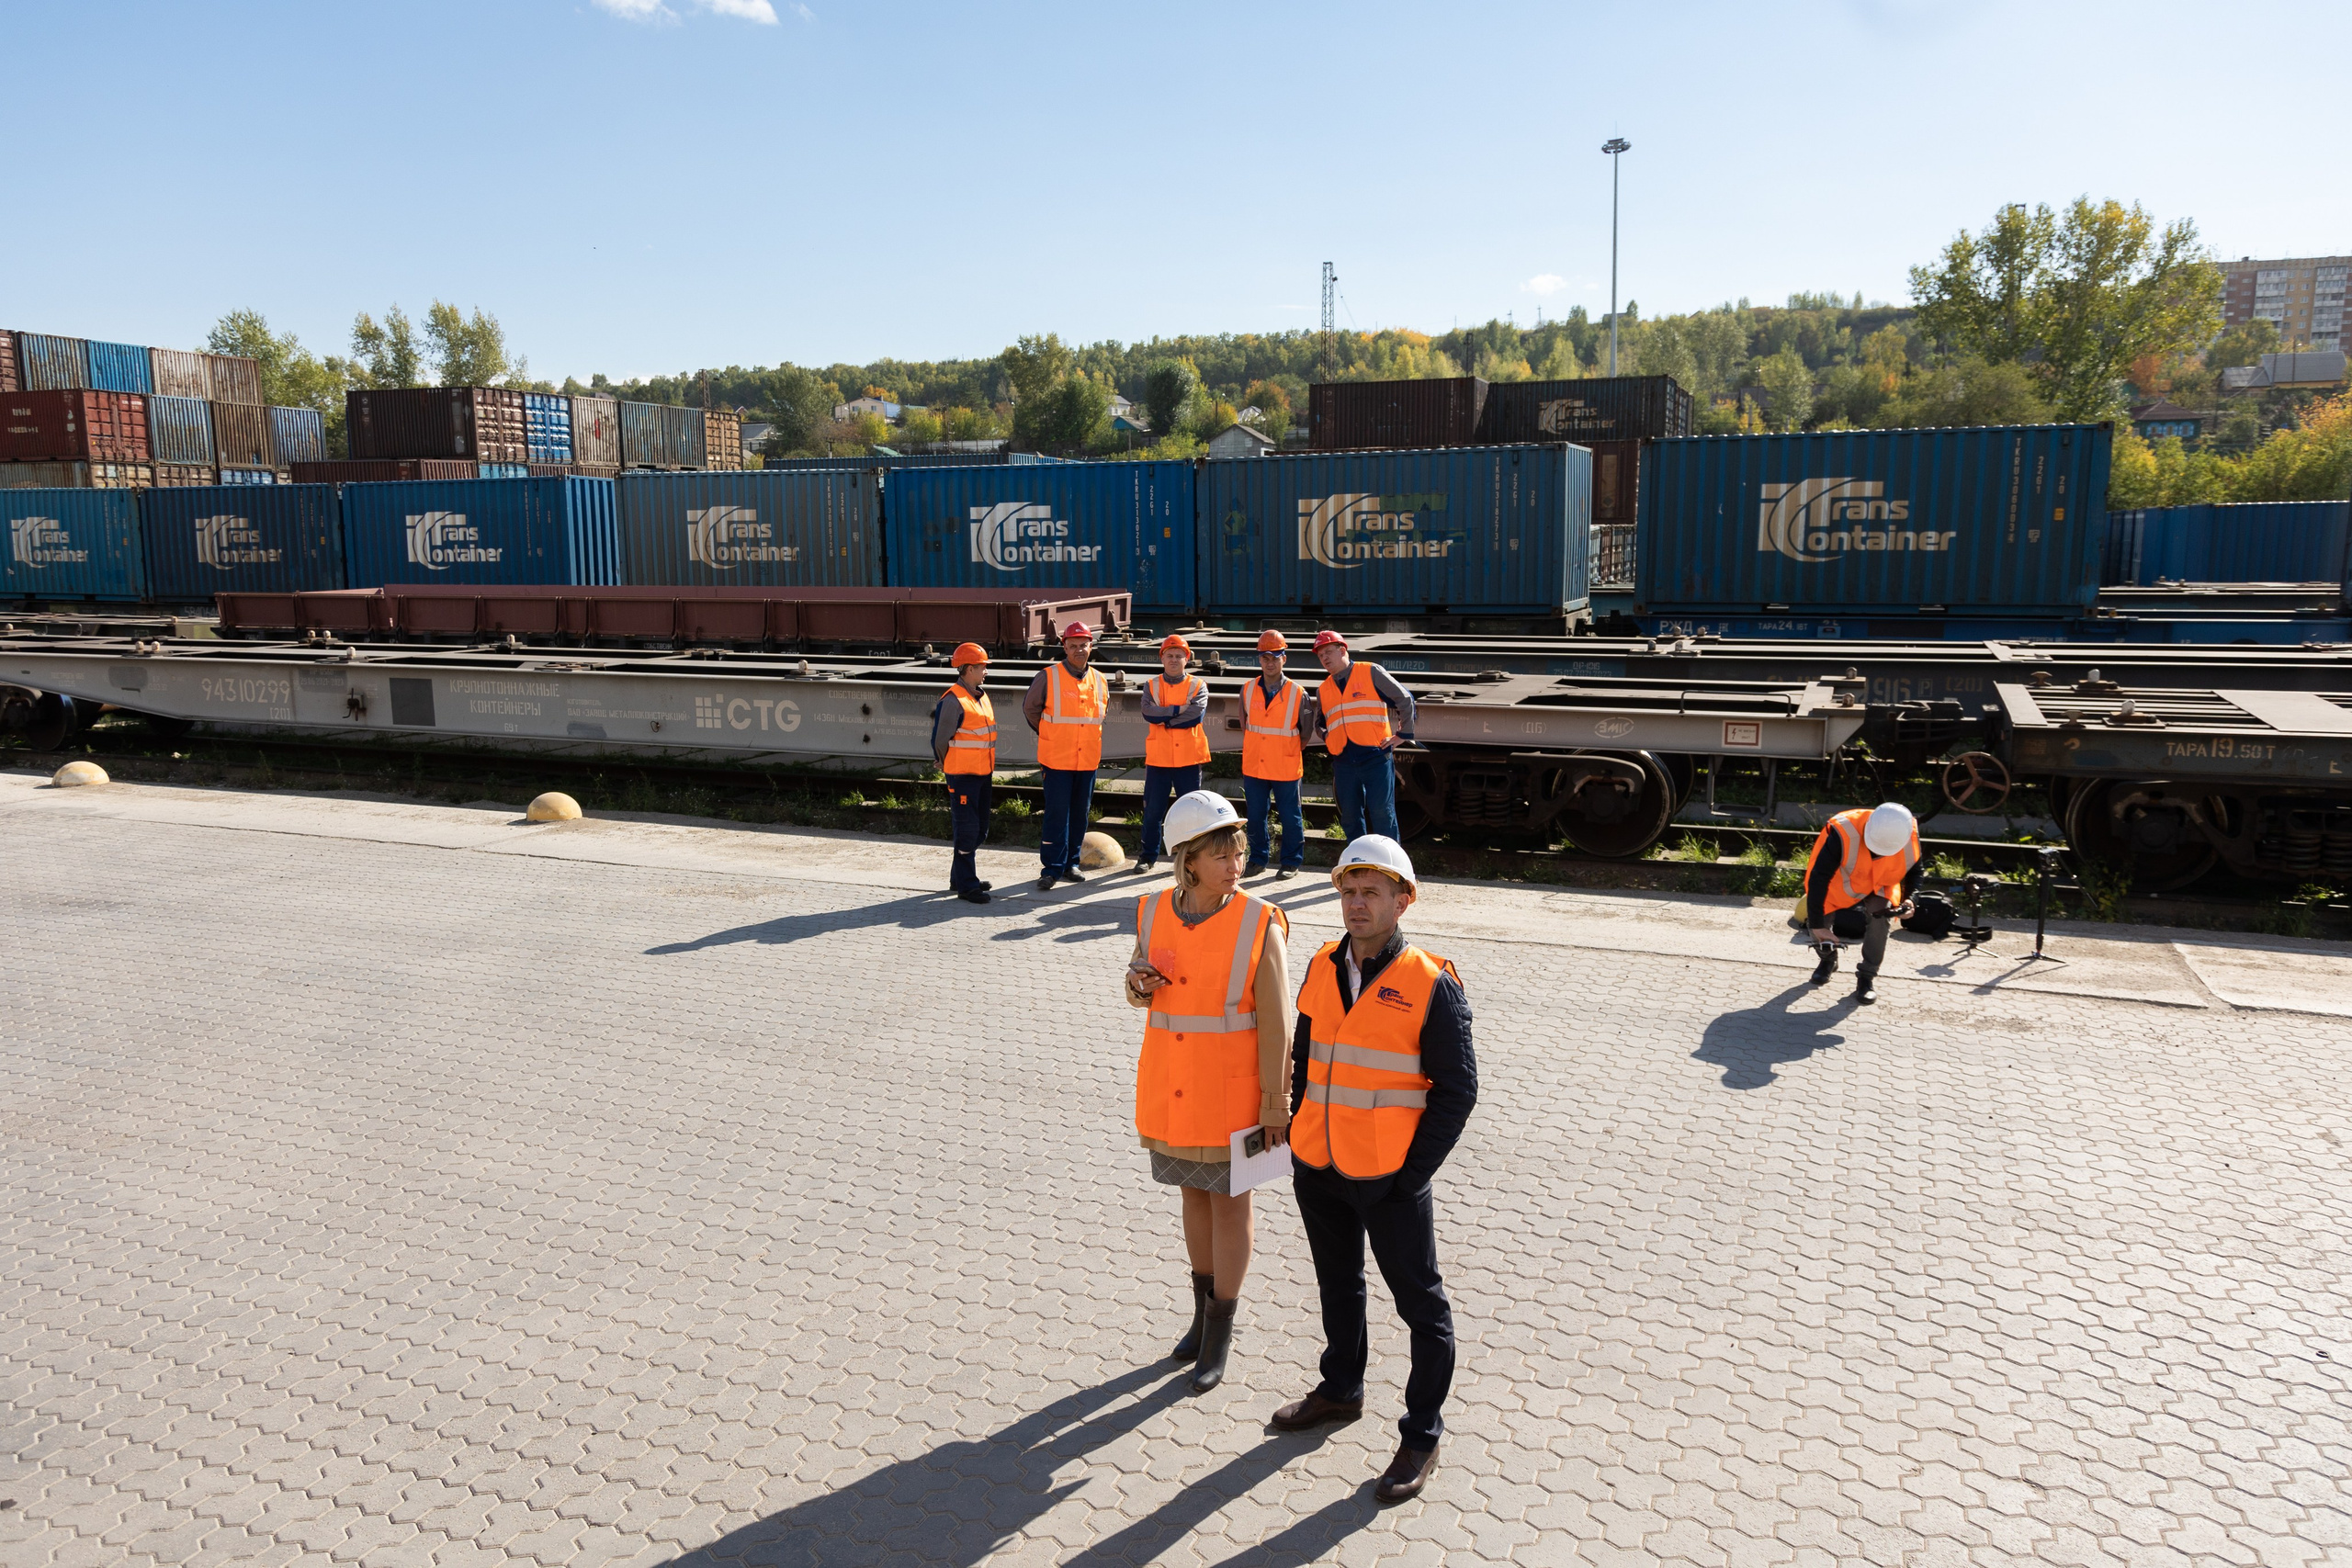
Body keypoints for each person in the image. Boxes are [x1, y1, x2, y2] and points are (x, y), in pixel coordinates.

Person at [1274, 835, 1476, 1506]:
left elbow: (1458, 1091)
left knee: (1422, 1306)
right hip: (1320, 1163)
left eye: (1372, 892)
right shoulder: (1320, 964)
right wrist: (1299, 1131)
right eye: (1349, 891)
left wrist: (1411, 1175)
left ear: (1403, 901)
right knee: (1338, 1285)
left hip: (1390, 1177)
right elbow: (1307, 1059)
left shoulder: (1430, 982)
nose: (1357, 904)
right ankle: (1341, 1388)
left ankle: (1422, 1434)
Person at [1123, 790, 1294, 1394]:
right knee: (1192, 1196)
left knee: (1230, 1205)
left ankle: (1220, 1330)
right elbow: (1140, 986)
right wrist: (1138, 984)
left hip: (1233, 1097)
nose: (1235, 863)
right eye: (1222, 853)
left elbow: (1277, 1025)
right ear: (1188, 859)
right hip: (1174, 1089)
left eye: (1239, 851)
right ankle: (1200, 1318)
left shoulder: (1258, 921)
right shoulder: (1152, 910)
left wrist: (1276, 1105)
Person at [1804, 801, 1922, 1005]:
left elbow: (1916, 871)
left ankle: (1867, 976)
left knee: (1881, 915)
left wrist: (1911, 900)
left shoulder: (1907, 833)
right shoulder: (1844, 831)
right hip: (1839, 882)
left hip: (1880, 883)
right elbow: (1819, 878)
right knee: (1818, 924)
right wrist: (1817, 925)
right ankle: (1828, 960)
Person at [1023, 621, 1108, 892]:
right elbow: (1031, 710)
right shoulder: (1048, 676)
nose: (1079, 650)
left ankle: (1071, 864)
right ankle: (1051, 869)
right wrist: (1051, 734)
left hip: (1087, 760)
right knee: (1057, 815)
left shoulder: (1100, 679)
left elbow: (1099, 716)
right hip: (1057, 759)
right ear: (1065, 647)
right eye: (1073, 646)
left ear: (1091, 646)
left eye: (1083, 645)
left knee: (1080, 815)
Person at [1311, 630, 1416, 845]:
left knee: (1382, 813)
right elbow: (1319, 724)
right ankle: (1357, 859)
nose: (1325, 659)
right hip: (1344, 762)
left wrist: (1402, 735)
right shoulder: (1323, 689)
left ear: (1343, 650)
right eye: (1320, 656)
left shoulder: (1370, 672)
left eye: (1328, 652)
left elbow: (1405, 699)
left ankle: (1389, 860)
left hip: (1375, 757)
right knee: (1350, 817)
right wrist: (1328, 737)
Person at [1136, 634, 1211, 874]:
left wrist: (1166, 718)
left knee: (1191, 813)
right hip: (1159, 759)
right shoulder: (1151, 685)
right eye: (1169, 655)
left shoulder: (1198, 685)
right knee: (1153, 812)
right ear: (1162, 658)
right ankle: (1147, 857)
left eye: (1179, 655)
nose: (1174, 659)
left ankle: (1192, 861)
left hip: (1189, 759)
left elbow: (1195, 716)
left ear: (1187, 659)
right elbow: (1148, 713)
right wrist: (1179, 709)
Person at [930, 641, 998, 904]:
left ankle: (959, 877)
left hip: (982, 773)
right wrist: (944, 761)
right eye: (982, 667)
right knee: (968, 831)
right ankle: (967, 886)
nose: (986, 671)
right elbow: (940, 739)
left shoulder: (979, 696)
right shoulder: (953, 700)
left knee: (979, 830)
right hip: (963, 776)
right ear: (969, 669)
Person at [1240, 629, 1311, 880]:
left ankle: (1291, 862)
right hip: (1255, 765)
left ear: (1284, 658)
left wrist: (1284, 749)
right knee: (1255, 816)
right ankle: (1258, 859)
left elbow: (1305, 733)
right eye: (1265, 657)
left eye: (1275, 657)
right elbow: (1246, 725)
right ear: (1259, 660)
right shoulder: (1247, 690)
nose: (1270, 663)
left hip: (1285, 765)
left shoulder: (1298, 693)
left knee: (1291, 817)